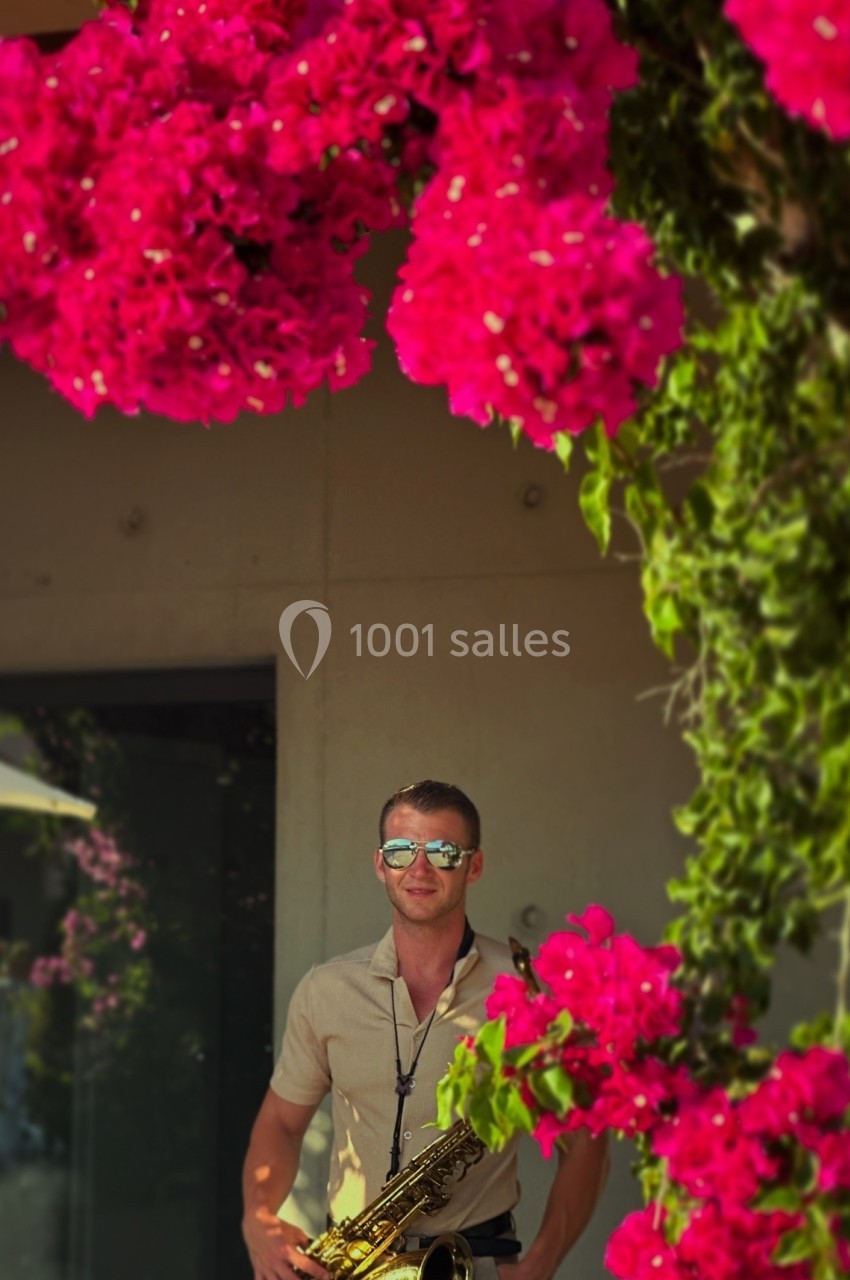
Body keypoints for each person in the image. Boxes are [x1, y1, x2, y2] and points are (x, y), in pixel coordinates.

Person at [242, 780, 608, 1280]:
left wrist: (544, 1260)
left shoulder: (525, 992)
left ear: (473, 866)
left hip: (474, 1263)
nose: (419, 868)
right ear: (380, 864)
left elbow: (586, 1140)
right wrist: (258, 1218)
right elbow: (281, 1123)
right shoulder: (326, 990)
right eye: (400, 851)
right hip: (348, 1265)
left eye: (442, 851)